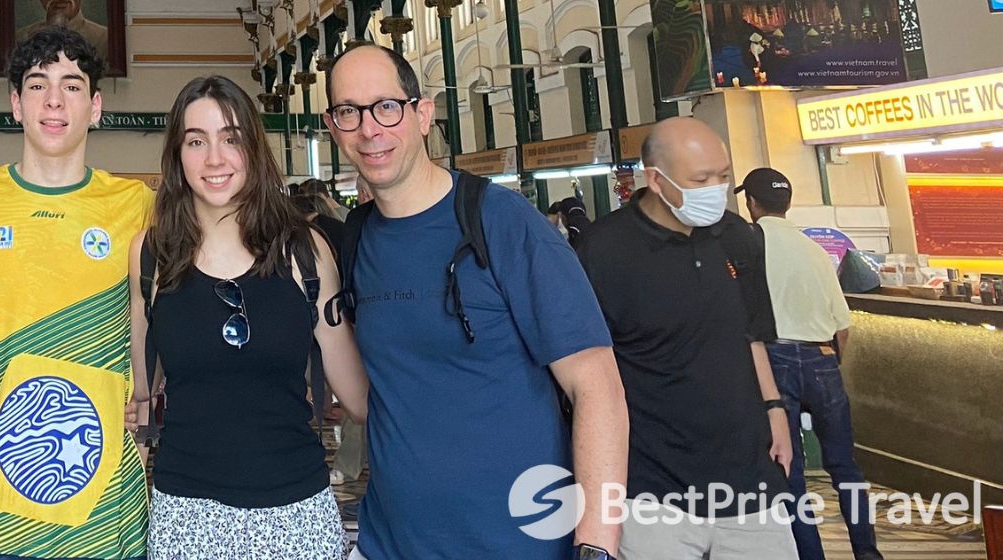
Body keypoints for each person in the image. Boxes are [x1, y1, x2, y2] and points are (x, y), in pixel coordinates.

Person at [321, 43, 626, 560]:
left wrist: (597, 545)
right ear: (333, 127)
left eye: (386, 107)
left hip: (518, 545)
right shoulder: (356, 242)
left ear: (422, 114)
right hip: (389, 544)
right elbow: (374, 392)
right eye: (349, 112)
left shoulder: (502, 224)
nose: (369, 129)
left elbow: (598, 388)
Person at [0, 25, 152, 560]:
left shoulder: (135, 204)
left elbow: (169, 315)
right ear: (15, 104)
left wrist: (143, 401)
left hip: (104, 503)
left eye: (72, 85)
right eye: (37, 85)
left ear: (95, 106)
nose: (54, 100)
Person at [129, 76, 367, 559]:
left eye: (231, 139)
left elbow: (359, 398)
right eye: (196, 141)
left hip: (296, 511)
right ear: (177, 156)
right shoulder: (151, 255)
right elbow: (139, 397)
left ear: (253, 150)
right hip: (186, 516)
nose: (214, 159)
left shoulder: (304, 252)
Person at [578, 120, 796, 560]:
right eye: (700, 180)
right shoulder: (601, 252)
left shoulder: (738, 237)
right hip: (652, 492)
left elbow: (751, 333)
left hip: (751, 483)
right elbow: (588, 373)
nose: (715, 189)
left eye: (723, 176)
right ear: (656, 180)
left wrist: (774, 409)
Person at [744, 167, 881, 560]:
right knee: (845, 467)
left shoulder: (750, 247)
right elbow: (843, 328)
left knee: (791, 471)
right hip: (823, 358)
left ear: (751, 203)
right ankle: (867, 552)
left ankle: (810, 555)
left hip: (774, 358)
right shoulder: (816, 250)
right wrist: (832, 368)